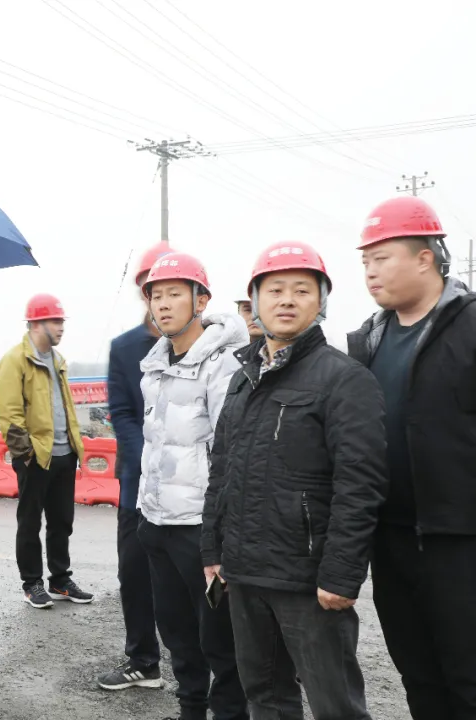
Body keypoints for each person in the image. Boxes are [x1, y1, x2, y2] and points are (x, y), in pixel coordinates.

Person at [202, 241, 387, 719]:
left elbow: (360, 484)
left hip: (308, 580)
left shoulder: (344, 378)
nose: (287, 300)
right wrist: (213, 551)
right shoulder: (243, 378)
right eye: (275, 290)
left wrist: (341, 575)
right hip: (244, 572)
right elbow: (221, 469)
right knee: (264, 697)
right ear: (255, 302)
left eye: (302, 290)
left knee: (335, 705)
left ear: (320, 301)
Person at [348, 196, 476, 719]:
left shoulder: (469, 326)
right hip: (390, 538)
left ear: (425, 258)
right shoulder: (367, 341)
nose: (370, 272)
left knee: (467, 677)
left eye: (381, 258)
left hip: (459, 539)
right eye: (365, 262)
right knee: (417, 674)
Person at [136, 252, 248, 720]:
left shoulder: (223, 365)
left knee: (219, 637)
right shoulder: (155, 364)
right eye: (156, 296)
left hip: (200, 528)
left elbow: (230, 451)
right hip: (157, 520)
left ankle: (229, 713)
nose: (163, 305)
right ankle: (190, 710)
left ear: (201, 300)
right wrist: (145, 514)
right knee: (176, 632)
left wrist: (218, 533)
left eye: (174, 294)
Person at [97, 242, 171, 691]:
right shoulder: (124, 348)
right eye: (152, 287)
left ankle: (208, 669)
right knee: (135, 574)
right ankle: (143, 660)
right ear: (143, 291)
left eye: (172, 288)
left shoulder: (205, 346)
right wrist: (147, 459)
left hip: (190, 488)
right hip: (136, 484)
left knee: (190, 580)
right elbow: (122, 412)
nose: (161, 297)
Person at [0, 294, 93, 609]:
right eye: (56, 321)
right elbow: (9, 415)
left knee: (62, 521)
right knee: (30, 522)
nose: (61, 327)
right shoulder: (14, 360)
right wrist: (26, 454)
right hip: (36, 456)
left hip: (65, 454)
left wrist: (75, 447)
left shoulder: (58, 360)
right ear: (36, 323)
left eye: (62, 321)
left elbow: (64, 408)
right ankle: (32, 584)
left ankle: (60, 580)